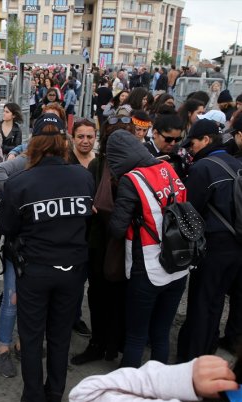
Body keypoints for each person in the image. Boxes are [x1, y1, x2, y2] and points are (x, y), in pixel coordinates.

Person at [0, 114, 94, 402]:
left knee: (31, 333)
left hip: (36, 271)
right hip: (73, 271)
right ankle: (54, 397)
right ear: (63, 142)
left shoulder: (19, 183)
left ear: (35, 144)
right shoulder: (83, 177)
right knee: (60, 334)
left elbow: (6, 225)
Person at [106, 129, 189, 368]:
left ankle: (129, 392)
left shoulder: (131, 180)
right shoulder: (169, 169)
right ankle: (157, 389)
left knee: (136, 336)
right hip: (179, 263)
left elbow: (118, 229)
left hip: (148, 266)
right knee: (161, 333)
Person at [70, 112, 135, 366]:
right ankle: (98, 343)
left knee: (122, 296)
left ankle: (117, 344)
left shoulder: (138, 166)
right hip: (98, 243)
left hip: (129, 242)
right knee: (98, 295)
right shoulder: (98, 165)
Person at [178, 119, 242, 362]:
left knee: (202, 302)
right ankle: (209, 348)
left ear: (205, 140)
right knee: (216, 303)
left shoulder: (203, 168)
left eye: (192, 143)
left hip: (215, 246)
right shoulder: (234, 163)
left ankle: (192, 359)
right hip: (236, 244)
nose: (190, 148)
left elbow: (189, 210)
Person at [69, 353, 241, 402]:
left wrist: (183, 377)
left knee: (139, 332)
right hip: (171, 283)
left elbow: (85, 395)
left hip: (150, 282)